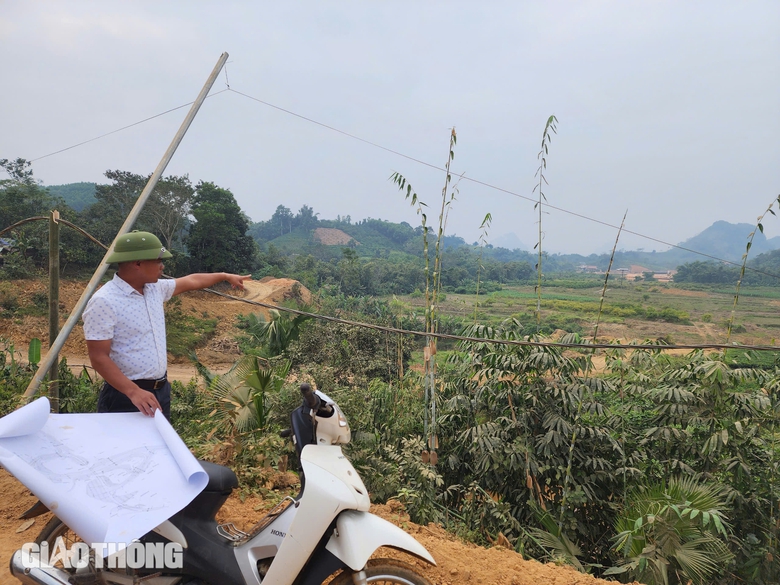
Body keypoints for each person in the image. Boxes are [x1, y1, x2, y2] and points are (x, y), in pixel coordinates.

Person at [82, 230, 250, 420]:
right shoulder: (104, 301)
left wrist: (224, 275)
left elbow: (192, 280)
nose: (162, 267)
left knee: (157, 448)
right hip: (124, 396)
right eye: (158, 261)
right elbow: (98, 357)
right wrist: (133, 392)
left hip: (160, 392)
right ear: (137, 263)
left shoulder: (155, 289)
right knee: (124, 450)